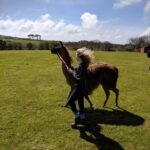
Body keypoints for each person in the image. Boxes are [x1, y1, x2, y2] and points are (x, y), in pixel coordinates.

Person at [64, 48, 93, 128]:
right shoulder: (82, 64)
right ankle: (83, 119)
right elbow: (78, 70)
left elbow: (78, 76)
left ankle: (77, 118)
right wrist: (72, 69)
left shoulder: (83, 65)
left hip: (80, 87)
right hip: (82, 87)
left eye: (76, 54)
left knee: (70, 102)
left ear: (79, 56)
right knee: (81, 103)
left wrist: (72, 72)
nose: (75, 56)